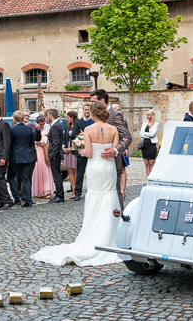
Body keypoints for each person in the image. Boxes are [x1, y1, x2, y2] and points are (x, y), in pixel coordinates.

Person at [31, 101, 121, 266]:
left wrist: (79, 150)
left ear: (93, 114)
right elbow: (113, 151)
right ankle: (112, 235)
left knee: (95, 196)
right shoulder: (113, 129)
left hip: (95, 167)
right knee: (110, 196)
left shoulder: (88, 129)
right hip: (109, 168)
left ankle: (94, 233)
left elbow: (88, 153)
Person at [91, 89, 132, 210]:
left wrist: (116, 150)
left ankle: (119, 217)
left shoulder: (115, 115)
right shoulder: (95, 117)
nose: (91, 104)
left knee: (114, 191)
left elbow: (127, 137)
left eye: (93, 101)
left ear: (102, 101)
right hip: (98, 162)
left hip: (112, 161)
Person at [7, 111, 35, 207]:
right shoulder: (29, 129)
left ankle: (17, 197)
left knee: (10, 176)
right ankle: (28, 200)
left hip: (15, 156)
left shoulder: (12, 129)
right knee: (26, 179)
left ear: (14, 119)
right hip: (26, 156)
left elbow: (10, 143)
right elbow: (31, 143)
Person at [73, 103, 94, 201]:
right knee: (80, 173)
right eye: (85, 109)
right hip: (81, 151)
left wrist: (84, 134)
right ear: (83, 110)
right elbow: (74, 135)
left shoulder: (94, 122)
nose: (87, 111)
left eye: (88, 110)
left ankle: (92, 191)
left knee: (92, 173)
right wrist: (83, 136)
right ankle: (77, 193)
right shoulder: (77, 122)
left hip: (92, 151)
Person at [16, 109, 37, 201]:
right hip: (19, 156)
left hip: (30, 155)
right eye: (25, 115)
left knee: (28, 177)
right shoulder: (15, 126)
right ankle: (18, 196)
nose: (27, 117)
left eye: (28, 115)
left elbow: (35, 139)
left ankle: (27, 196)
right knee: (18, 177)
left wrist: (37, 130)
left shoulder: (31, 127)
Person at [31, 115, 54, 198]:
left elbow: (51, 138)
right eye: (40, 124)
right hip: (37, 150)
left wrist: (47, 141)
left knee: (46, 169)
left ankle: (47, 190)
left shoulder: (48, 127)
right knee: (37, 169)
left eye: (43, 124)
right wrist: (37, 143)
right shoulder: (34, 128)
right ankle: (38, 191)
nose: (42, 125)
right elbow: (31, 140)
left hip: (45, 150)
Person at [46, 109, 64, 203]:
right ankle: (59, 195)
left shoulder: (56, 126)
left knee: (57, 175)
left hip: (55, 155)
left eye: (48, 115)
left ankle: (60, 196)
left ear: (51, 116)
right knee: (57, 175)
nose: (47, 117)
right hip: (55, 153)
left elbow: (56, 142)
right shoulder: (56, 125)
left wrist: (53, 154)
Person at [113, 104, 129, 199]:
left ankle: (123, 191)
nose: (119, 111)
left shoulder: (124, 121)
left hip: (122, 146)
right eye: (117, 109)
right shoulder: (112, 121)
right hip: (114, 146)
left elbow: (126, 135)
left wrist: (125, 147)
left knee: (123, 170)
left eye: (120, 109)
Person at [62, 111, 78, 199]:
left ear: (72, 117)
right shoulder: (66, 126)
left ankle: (76, 190)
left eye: (68, 117)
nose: (66, 119)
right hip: (67, 148)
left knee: (75, 170)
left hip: (74, 148)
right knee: (70, 170)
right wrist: (64, 147)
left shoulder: (77, 125)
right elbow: (64, 138)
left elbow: (79, 138)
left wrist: (72, 148)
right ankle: (73, 189)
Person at [140, 109, 159, 176]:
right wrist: (148, 134)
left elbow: (153, 134)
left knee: (152, 164)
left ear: (152, 115)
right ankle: (148, 178)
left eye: (148, 115)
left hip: (151, 145)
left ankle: (153, 177)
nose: (147, 116)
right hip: (145, 145)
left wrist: (145, 134)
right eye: (147, 115)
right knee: (146, 164)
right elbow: (141, 134)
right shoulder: (144, 123)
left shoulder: (156, 124)